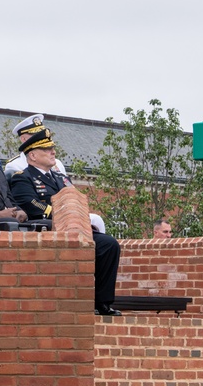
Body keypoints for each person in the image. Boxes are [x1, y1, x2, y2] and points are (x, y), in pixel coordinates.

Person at [9, 128, 121, 316]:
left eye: (52, 148)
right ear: (33, 155)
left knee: (108, 245)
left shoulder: (61, 178)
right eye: (46, 149)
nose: (53, 152)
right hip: (48, 230)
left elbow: (76, 201)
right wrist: (63, 215)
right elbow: (31, 205)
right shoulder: (23, 177)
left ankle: (101, 302)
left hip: (75, 228)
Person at [4, 114, 68, 176]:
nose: (42, 138)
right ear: (23, 139)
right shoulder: (15, 165)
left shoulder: (57, 163)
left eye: (42, 134)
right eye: (36, 136)